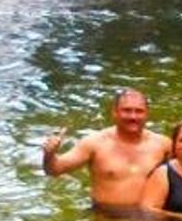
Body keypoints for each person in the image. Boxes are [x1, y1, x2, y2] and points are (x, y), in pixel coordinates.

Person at [42, 89, 172, 213]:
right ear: (114, 112)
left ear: (146, 114)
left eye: (139, 111)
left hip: (145, 219)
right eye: (127, 110)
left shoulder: (162, 145)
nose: (133, 116)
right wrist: (49, 154)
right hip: (104, 220)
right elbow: (54, 170)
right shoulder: (94, 143)